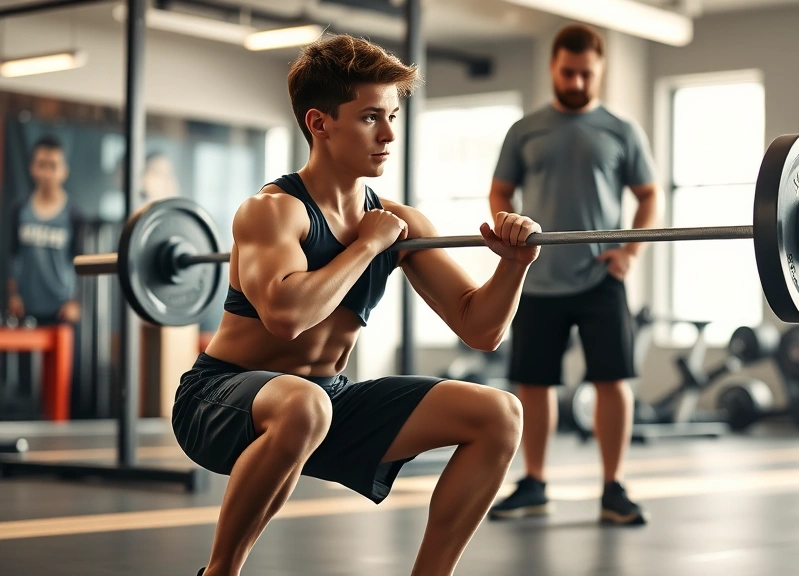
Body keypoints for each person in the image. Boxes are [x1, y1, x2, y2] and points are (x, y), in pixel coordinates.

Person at [174, 34, 544, 576]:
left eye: (392, 116)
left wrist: (513, 266)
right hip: (219, 401)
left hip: (325, 402)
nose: (389, 134)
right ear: (319, 123)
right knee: (304, 406)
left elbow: (480, 329)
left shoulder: (401, 222)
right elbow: (286, 317)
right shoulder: (272, 211)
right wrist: (367, 246)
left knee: (499, 414)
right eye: (371, 117)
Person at [487, 23, 662, 526]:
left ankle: (613, 488)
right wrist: (508, 232)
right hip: (537, 276)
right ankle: (534, 483)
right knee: (533, 382)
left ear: (599, 70)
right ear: (553, 67)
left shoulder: (621, 130)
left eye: (587, 74)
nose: (578, 82)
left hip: (600, 276)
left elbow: (649, 194)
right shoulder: (525, 130)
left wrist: (630, 252)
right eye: (569, 72)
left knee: (612, 380)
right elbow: (500, 190)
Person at [6, 135, 83, 327]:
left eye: (53, 166)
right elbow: (12, 256)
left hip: (61, 310)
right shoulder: (20, 210)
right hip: (25, 310)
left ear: (64, 171)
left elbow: (80, 262)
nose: (47, 173)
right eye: (42, 165)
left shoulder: (74, 215)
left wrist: (75, 302)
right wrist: (13, 295)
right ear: (33, 168)